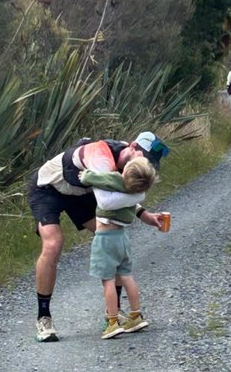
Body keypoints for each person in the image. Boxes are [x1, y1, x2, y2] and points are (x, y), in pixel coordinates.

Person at [28, 130, 169, 341]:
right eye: (146, 159)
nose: (146, 166)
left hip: (83, 192)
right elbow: (106, 201)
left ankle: (114, 313)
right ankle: (44, 317)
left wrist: (143, 214)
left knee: (112, 235)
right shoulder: (100, 156)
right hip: (49, 188)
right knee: (53, 243)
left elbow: (121, 188)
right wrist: (140, 199)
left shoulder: (129, 160)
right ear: (133, 146)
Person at [79, 156, 157, 338]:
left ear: (127, 172)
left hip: (105, 238)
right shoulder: (134, 191)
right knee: (127, 276)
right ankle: (136, 315)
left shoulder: (116, 180)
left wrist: (85, 175)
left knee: (108, 280)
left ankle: (112, 321)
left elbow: (96, 179)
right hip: (122, 237)